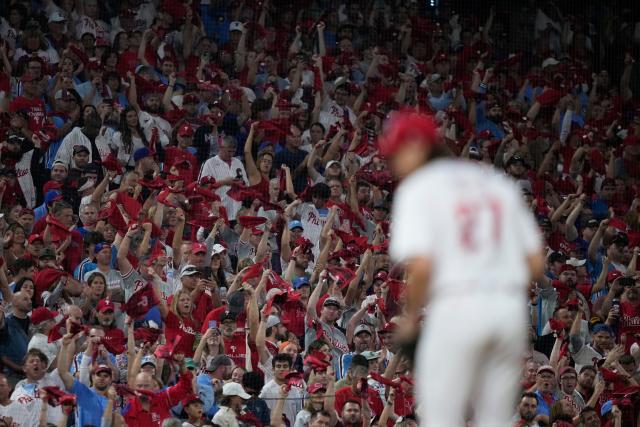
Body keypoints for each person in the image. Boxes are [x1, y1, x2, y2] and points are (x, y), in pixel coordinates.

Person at [384, 111, 544, 426]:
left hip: (458, 305)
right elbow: (536, 262)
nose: (392, 162)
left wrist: (412, 317)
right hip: (509, 311)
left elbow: (422, 265)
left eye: (396, 152)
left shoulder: (419, 188)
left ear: (417, 148)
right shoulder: (496, 184)